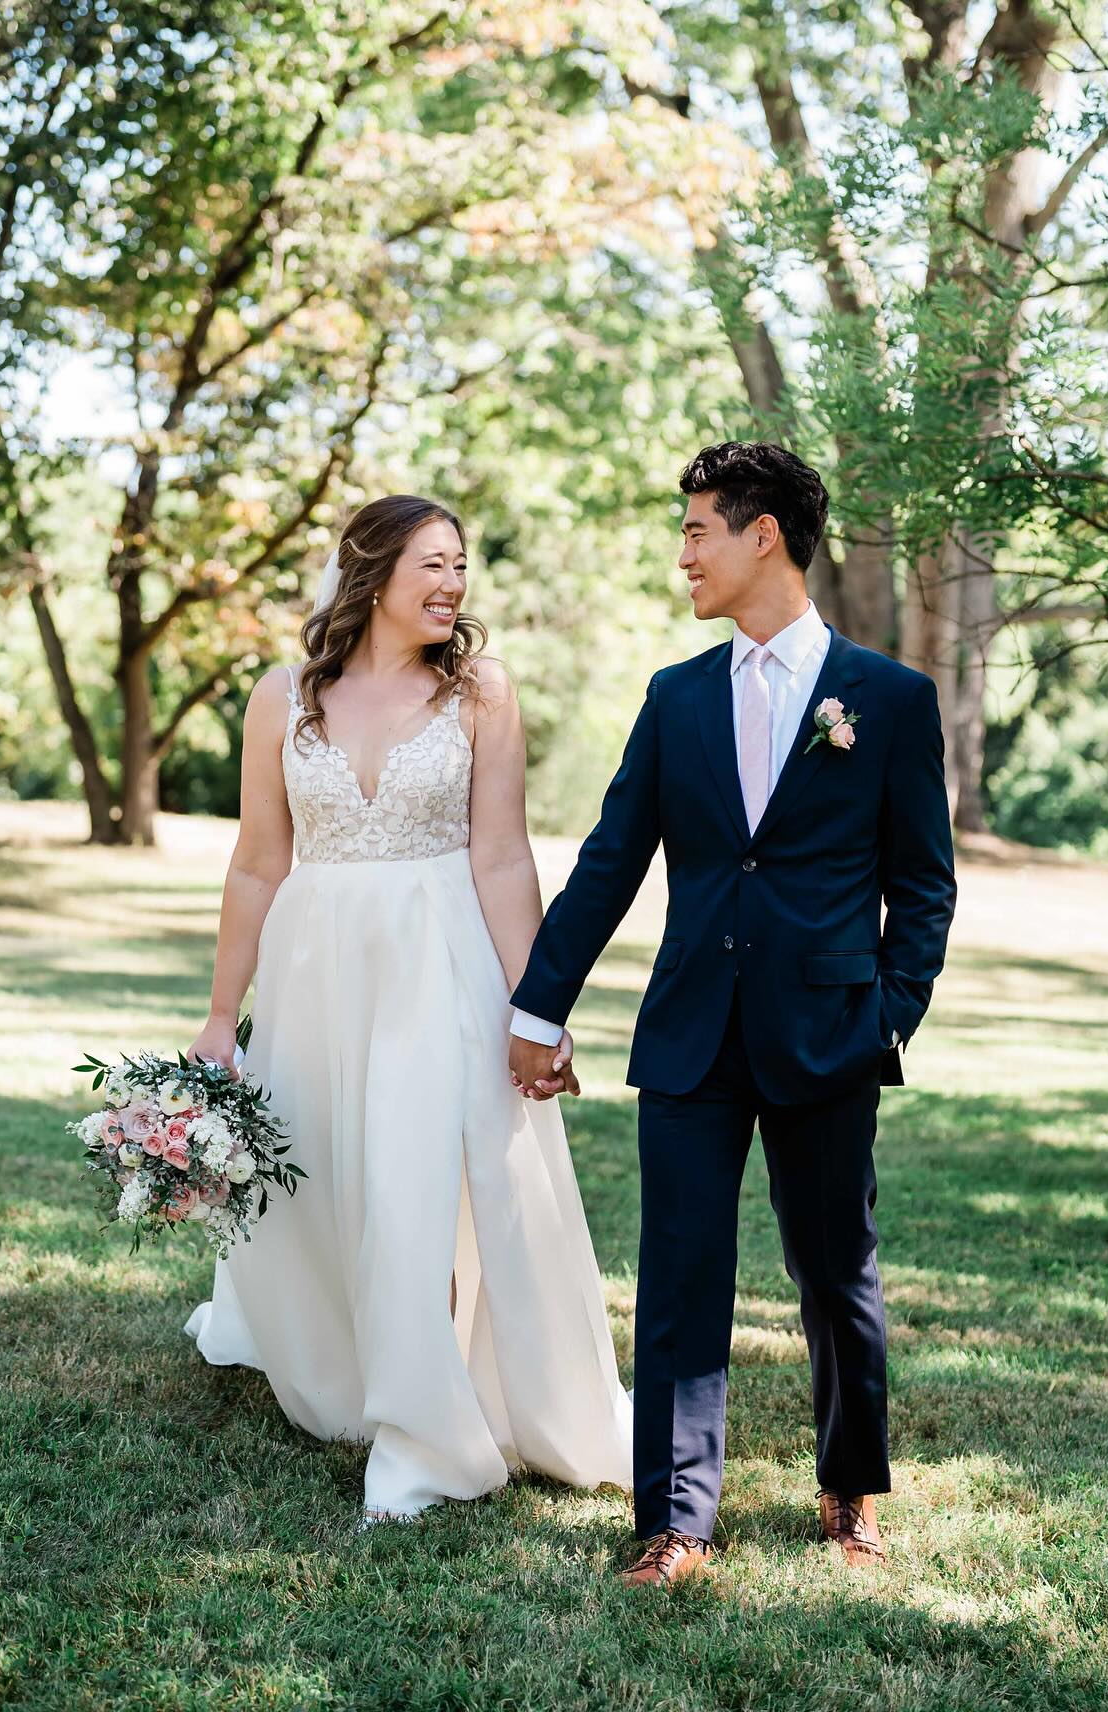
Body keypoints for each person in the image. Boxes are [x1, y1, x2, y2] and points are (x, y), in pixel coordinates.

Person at [509, 441, 956, 1585]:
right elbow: (611, 862)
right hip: (692, 1033)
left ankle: (850, 1493)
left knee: (835, 1271)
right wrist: (538, 1005)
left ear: (767, 535)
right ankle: (676, 1524)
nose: (683, 555)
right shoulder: (676, 699)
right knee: (681, 1277)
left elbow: (924, 880)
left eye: (699, 529)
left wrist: (889, 1013)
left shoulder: (892, 700)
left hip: (829, 1035)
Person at [183, 495, 631, 1525]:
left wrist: (539, 1008)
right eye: (432, 563)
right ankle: (366, 1372)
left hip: (443, 969)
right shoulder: (283, 698)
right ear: (370, 570)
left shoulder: (481, 691)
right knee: (336, 1185)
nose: (452, 584)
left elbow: (503, 856)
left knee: (417, 1187)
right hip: (319, 978)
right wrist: (220, 1016)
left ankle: (426, 1435)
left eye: (462, 566)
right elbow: (258, 863)